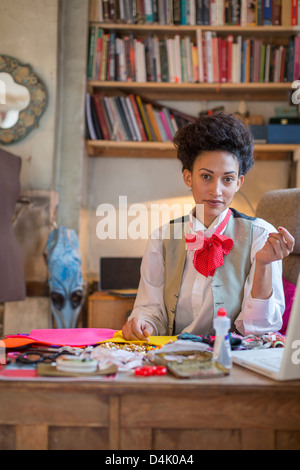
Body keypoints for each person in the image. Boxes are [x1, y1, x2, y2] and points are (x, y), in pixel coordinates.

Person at [122, 113, 295, 341]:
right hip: (175, 355)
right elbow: (150, 309)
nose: (216, 190)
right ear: (188, 177)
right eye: (206, 177)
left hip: (233, 357)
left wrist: (263, 264)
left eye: (228, 179)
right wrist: (143, 324)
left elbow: (259, 329)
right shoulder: (162, 237)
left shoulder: (261, 235)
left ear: (239, 183)